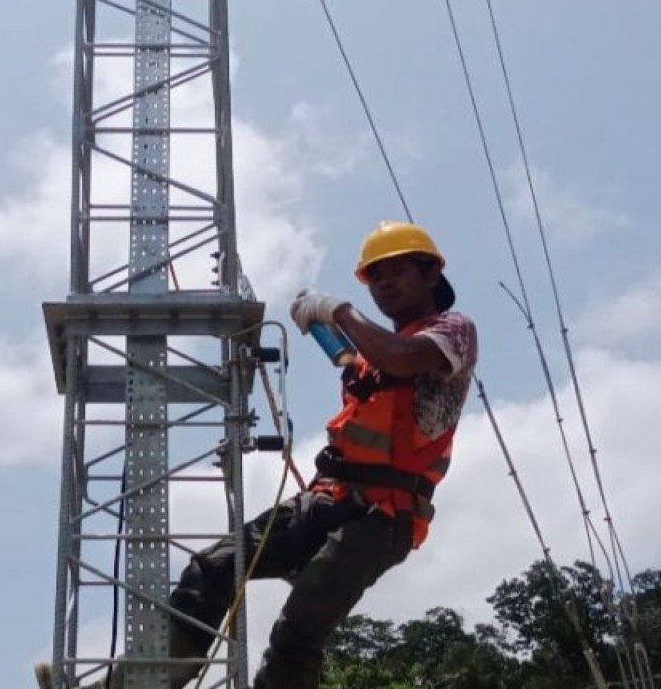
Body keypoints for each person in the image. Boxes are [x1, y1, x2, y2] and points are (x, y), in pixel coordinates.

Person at [37, 220, 479, 689]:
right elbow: (368, 367)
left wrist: (338, 312)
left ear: (431, 276)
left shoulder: (452, 333)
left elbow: (403, 359)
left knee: (298, 630)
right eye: (377, 277)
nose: (385, 285)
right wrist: (326, 332)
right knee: (213, 568)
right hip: (331, 498)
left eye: (398, 272)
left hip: (384, 515)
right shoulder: (372, 356)